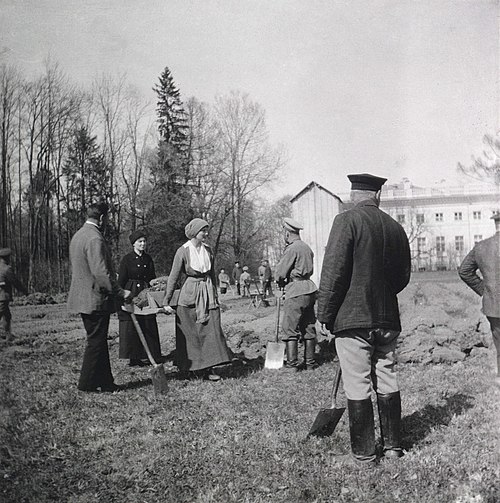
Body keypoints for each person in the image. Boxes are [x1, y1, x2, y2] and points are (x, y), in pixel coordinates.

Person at [317, 173, 411, 464]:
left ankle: (364, 454)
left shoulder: (345, 221)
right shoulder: (396, 228)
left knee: (357, 382)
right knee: (387, 375)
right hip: (386, 319)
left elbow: (334, 271)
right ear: (378, 196)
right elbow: (402, 277)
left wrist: (324, 314)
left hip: (353, 319)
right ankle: (394, 448)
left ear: (352, 194)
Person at [67, 202, 131, 393]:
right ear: (102, 218)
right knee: (96, 342)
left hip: (83, 297)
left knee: (98, 340)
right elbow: (101, 273)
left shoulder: (78, 236)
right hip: (94, 299)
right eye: (107, 219)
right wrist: (120, 292)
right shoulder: (95, 239)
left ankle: (106, 382)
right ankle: (86, 384)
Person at [162, 218, 232, 381]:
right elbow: (173, 276)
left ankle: (209, 368)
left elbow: (212, 274)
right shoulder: (183, 251)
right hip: (189, 296)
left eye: (207, 230)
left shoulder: (208, 250)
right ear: (194, 233)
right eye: (203, 231)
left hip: (207, 293)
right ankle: (191, 368)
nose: (206, 234)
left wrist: (215, 294)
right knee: (191, 333)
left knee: (210, 331)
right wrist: (167, 300)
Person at [458, 211, 500, 389]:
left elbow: (464, 271)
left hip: (494, 305)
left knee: (499, 342)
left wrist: (485, 290)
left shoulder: (481, 247)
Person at [275, 218, 318, 370]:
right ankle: (310, 362)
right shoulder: (306, 247)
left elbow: (281, 272)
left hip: (296, 290)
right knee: (308, 326)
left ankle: (292, 364)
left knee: (289, 328)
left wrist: (279, 281)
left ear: (287, 233)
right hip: (310, 289)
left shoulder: (292, 249)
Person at [117, 229, 162, 367]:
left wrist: (155, 286)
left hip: (145, 291)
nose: (143, 244)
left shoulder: (148, 259)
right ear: (133, 244)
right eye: (140, 242)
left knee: (147, 320)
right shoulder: (127, 259)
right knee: (132, 323)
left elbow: (151, 277)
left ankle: (148, 354)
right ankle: (133, 356)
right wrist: (123, 294)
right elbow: (122, 279)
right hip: (131, 291)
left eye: (144, 241)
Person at [0, 248, 28, 341]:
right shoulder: (7, 269)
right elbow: (15, 282)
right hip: (3, 296)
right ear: (7, 258)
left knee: (7, 316)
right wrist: (24, 291)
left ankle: (8, 336)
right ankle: (8, 335)